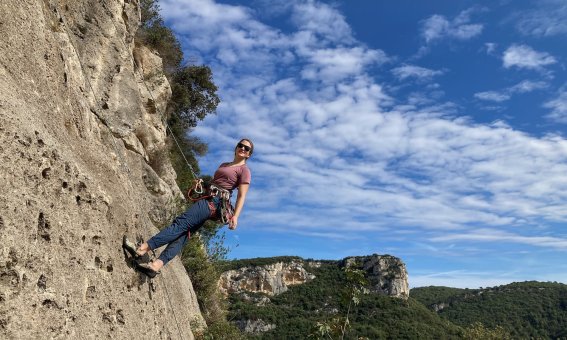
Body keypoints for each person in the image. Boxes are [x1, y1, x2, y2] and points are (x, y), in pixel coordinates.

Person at [124, 138, 253, 277]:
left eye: (247, 148)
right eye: (241, 145)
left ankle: (142, 249)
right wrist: (203, 185)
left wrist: (236, 216)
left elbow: (241, 195)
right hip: (210, 198)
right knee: (184, 235)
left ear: (248, 154)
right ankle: (156, 266)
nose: (243, 149)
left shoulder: (244, 170)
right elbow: (217, 183)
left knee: (180, 224)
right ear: (236, 147)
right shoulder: (225, 164)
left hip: (214, 202)